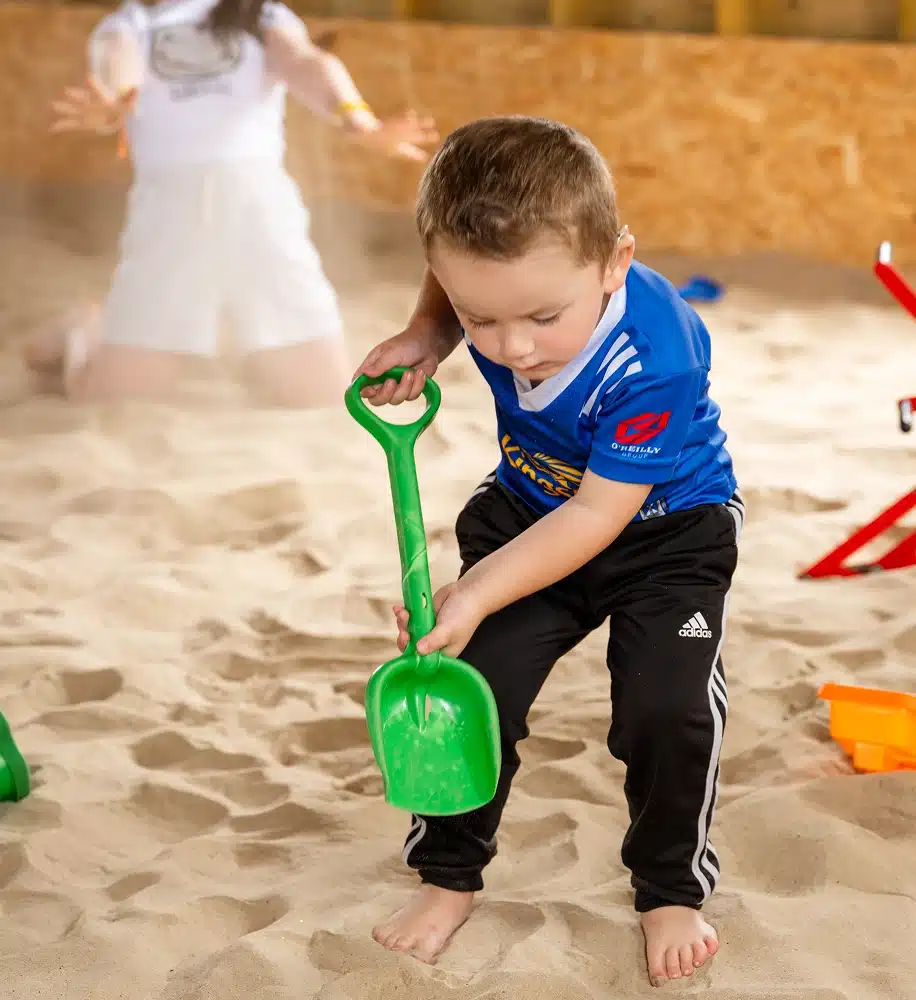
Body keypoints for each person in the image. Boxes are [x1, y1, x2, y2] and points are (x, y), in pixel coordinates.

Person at [354, 116, 743, 986]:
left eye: (541, 315)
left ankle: (670, 889)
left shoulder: (656, 359)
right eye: (479, 316)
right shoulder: (487, 291)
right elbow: (450, 264)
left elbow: (599, 517)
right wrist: (429, 332)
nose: (513, 346)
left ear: (614, 262)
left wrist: (479, 589)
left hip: (662, 533)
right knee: (468, 686)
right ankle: (449, 874)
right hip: (530, 508)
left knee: (665, 710)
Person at [24, 0, 437, 406]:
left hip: (259, 217)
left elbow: (307, 63)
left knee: (322, 393)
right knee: (111, 399)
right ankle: (85, 329)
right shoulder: (131, 23)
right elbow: (118, 70)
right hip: (170, 225)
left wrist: (360, 120)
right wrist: (112, 106)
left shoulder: (262, 16)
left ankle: (240, 340)